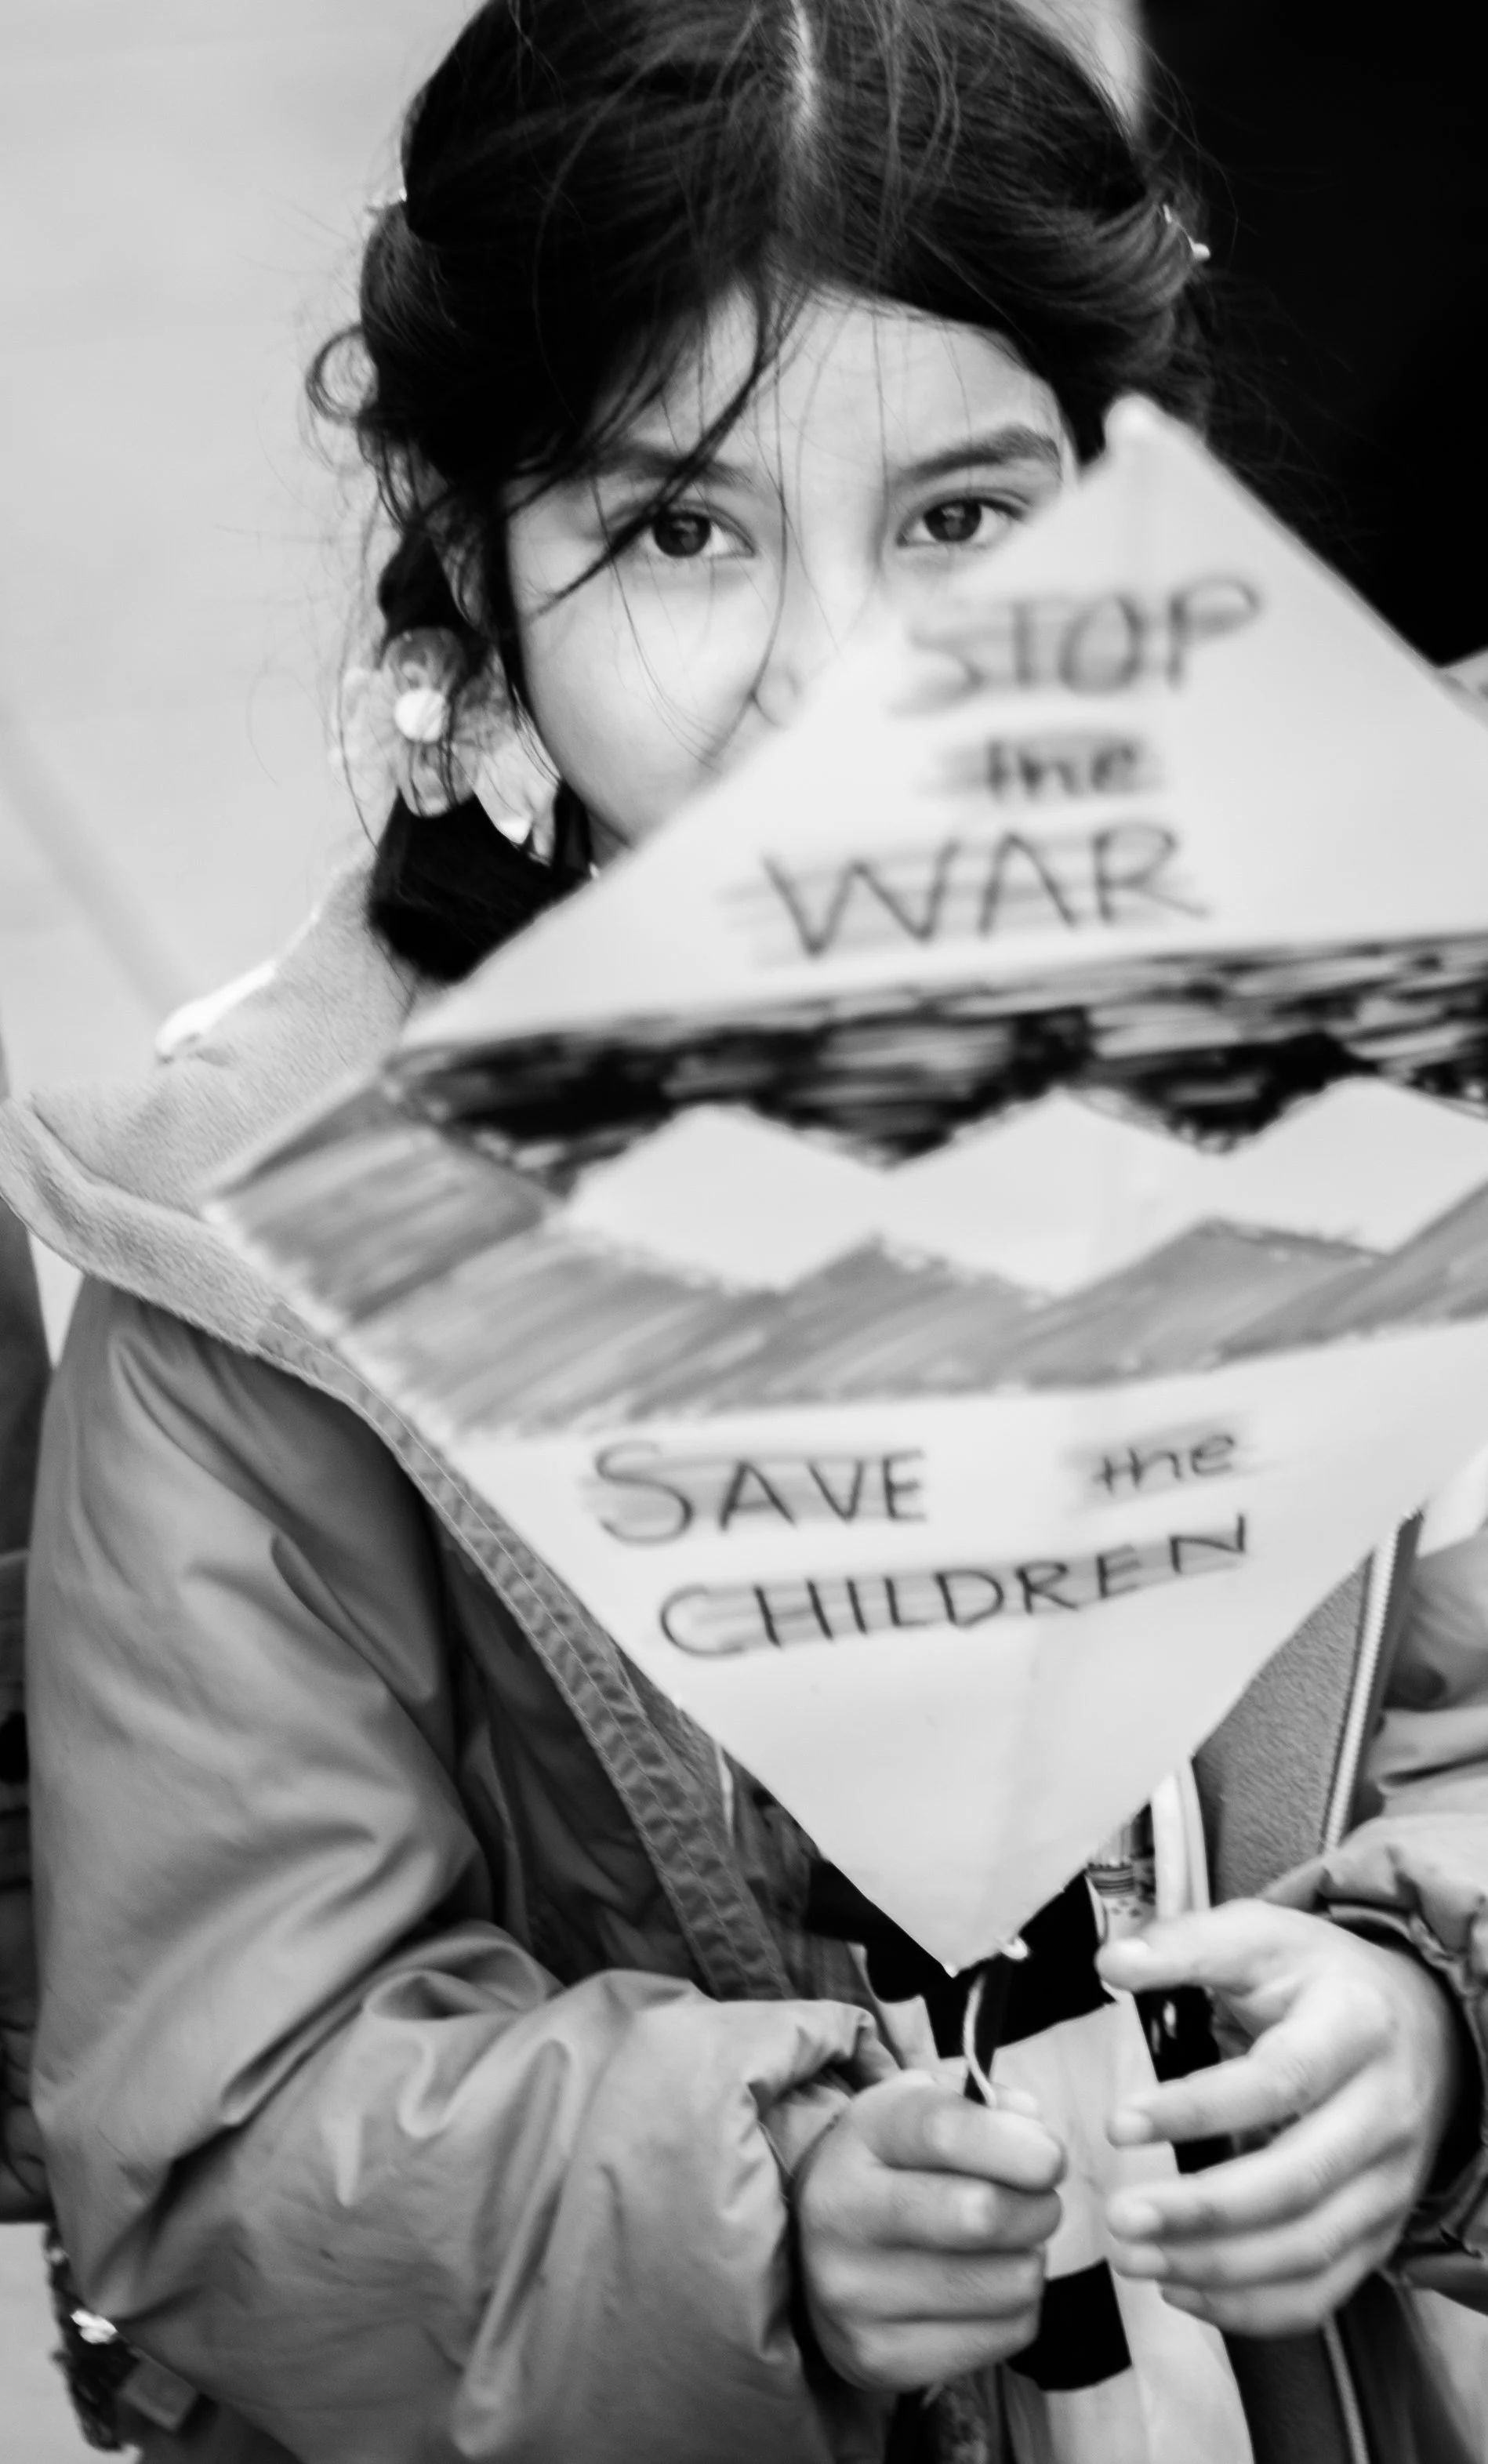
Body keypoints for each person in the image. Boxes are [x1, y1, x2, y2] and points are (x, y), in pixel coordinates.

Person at [2, 4, 1486, 2459]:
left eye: (963, 517)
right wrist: (752, 2204)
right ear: (477, 559)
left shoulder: (1338, 1019)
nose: (839, 685)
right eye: (681, 528)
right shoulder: (260, 1265)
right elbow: (218, 2122)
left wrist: (1433, 2026)